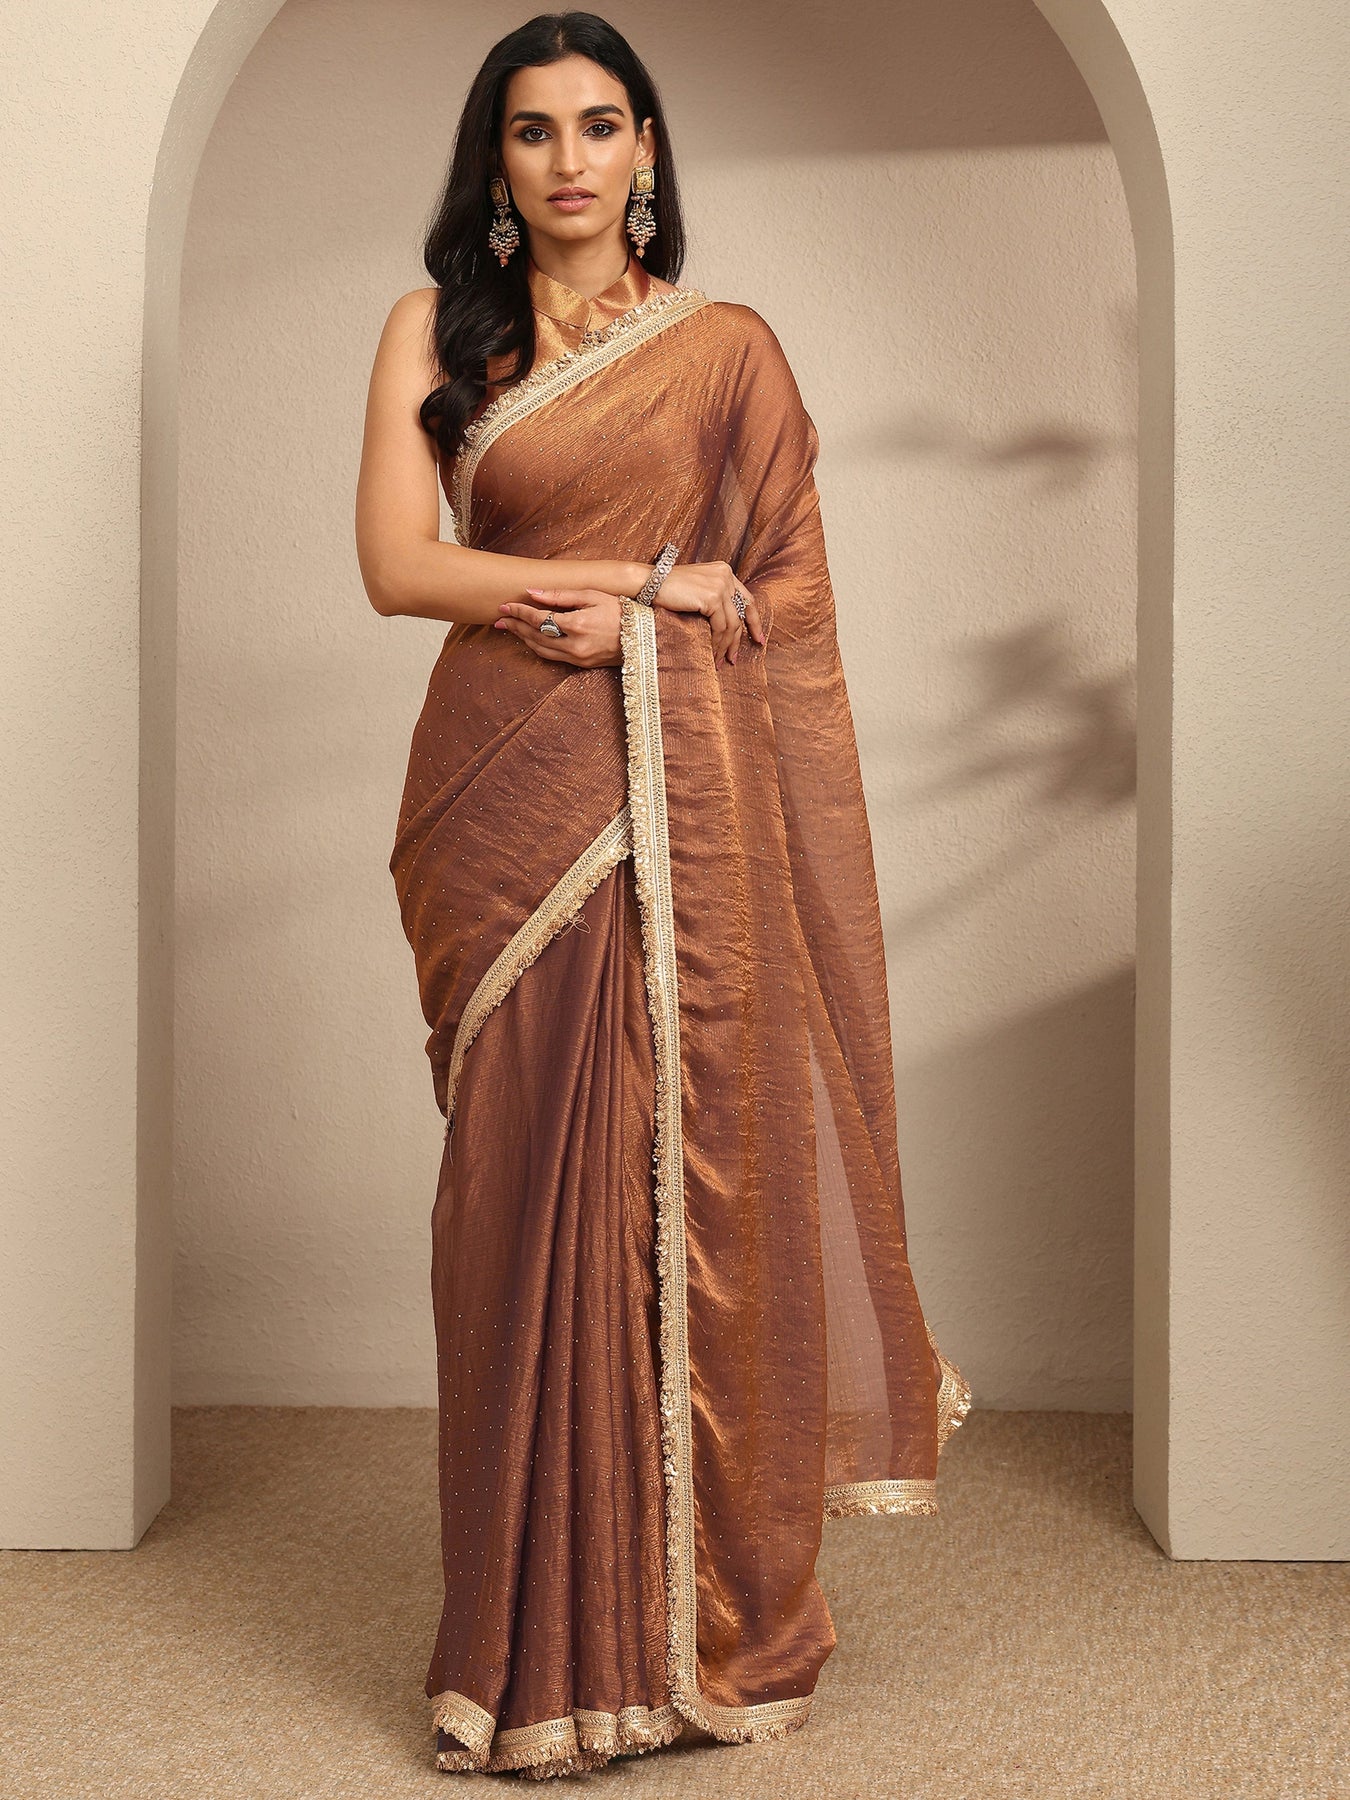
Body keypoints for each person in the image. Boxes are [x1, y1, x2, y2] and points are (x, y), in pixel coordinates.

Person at [355, 9, 970, 1781]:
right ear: (495, 163)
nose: (570, 159)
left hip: (673, 811)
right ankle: (519, 1643)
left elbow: (777, 604)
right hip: (498, 801)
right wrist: (636, 583)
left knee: (668, 1192)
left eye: (600, 124)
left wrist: (650, 613)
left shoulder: (723, 353)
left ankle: (677, 1633)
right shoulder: (430, 332)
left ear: (645, 150)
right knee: (510, 1208)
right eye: (533, 129)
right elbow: (395, 566)